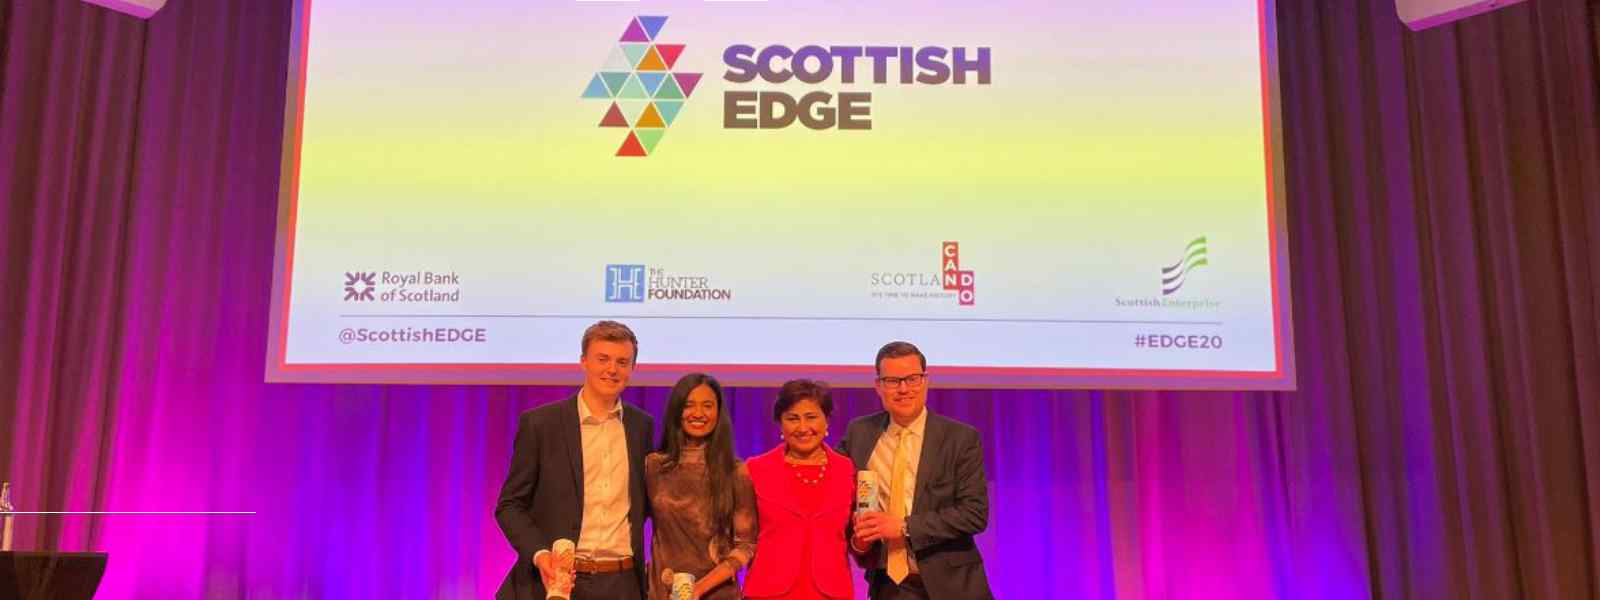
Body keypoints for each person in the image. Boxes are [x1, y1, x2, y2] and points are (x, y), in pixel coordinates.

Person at [495, 320, 655, 600]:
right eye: (602, 359)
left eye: (622, 361)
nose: (612, 369)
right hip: (556, 582)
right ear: (583, 362)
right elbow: (510, 505)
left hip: (623, 584)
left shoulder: (642, 427)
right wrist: (540, 554)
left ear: (632, 368)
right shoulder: (541, 424)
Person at [840, 342, 993, 599]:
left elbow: (974, 514)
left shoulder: (960, 438)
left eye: (912, 379)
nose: (903, 389)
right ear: (878, 386)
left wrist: (903, 526)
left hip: (953, 586)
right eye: (892, 380)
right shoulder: (860, 433)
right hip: (888, 586)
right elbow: (836, 490)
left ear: (925, 381)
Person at [644, 373, 757, 600]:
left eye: (707, 405)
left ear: (718, 412)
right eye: (689, 405)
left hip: (718, 594)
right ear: (677, 411)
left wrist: (698, 589)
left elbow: (746, 546)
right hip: (663, 592)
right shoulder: (654, 466)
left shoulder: (735, 471)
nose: (698, 413)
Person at [744, 379, 856, 600]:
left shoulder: (847, 470)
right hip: (768, 592)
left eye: (811, 417)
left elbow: (856, 541)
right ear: (780, 424)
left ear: (827, 421)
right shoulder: (755, 469)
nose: (803, 428)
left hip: (830, 592)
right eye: (792, 418)